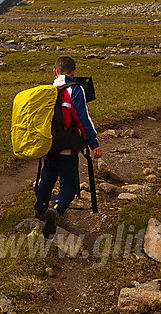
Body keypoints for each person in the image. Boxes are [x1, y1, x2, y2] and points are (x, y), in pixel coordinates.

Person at [34, 55, 101, 238]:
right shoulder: (76, 89)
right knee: (69, 186)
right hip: (68, 146)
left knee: (47, 177)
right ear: (73, 72)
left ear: (54, 72)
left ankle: (39, 210)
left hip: (48, 144)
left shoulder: (47, 91)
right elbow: (82, 118)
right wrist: (93, 143)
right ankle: (55, 210)